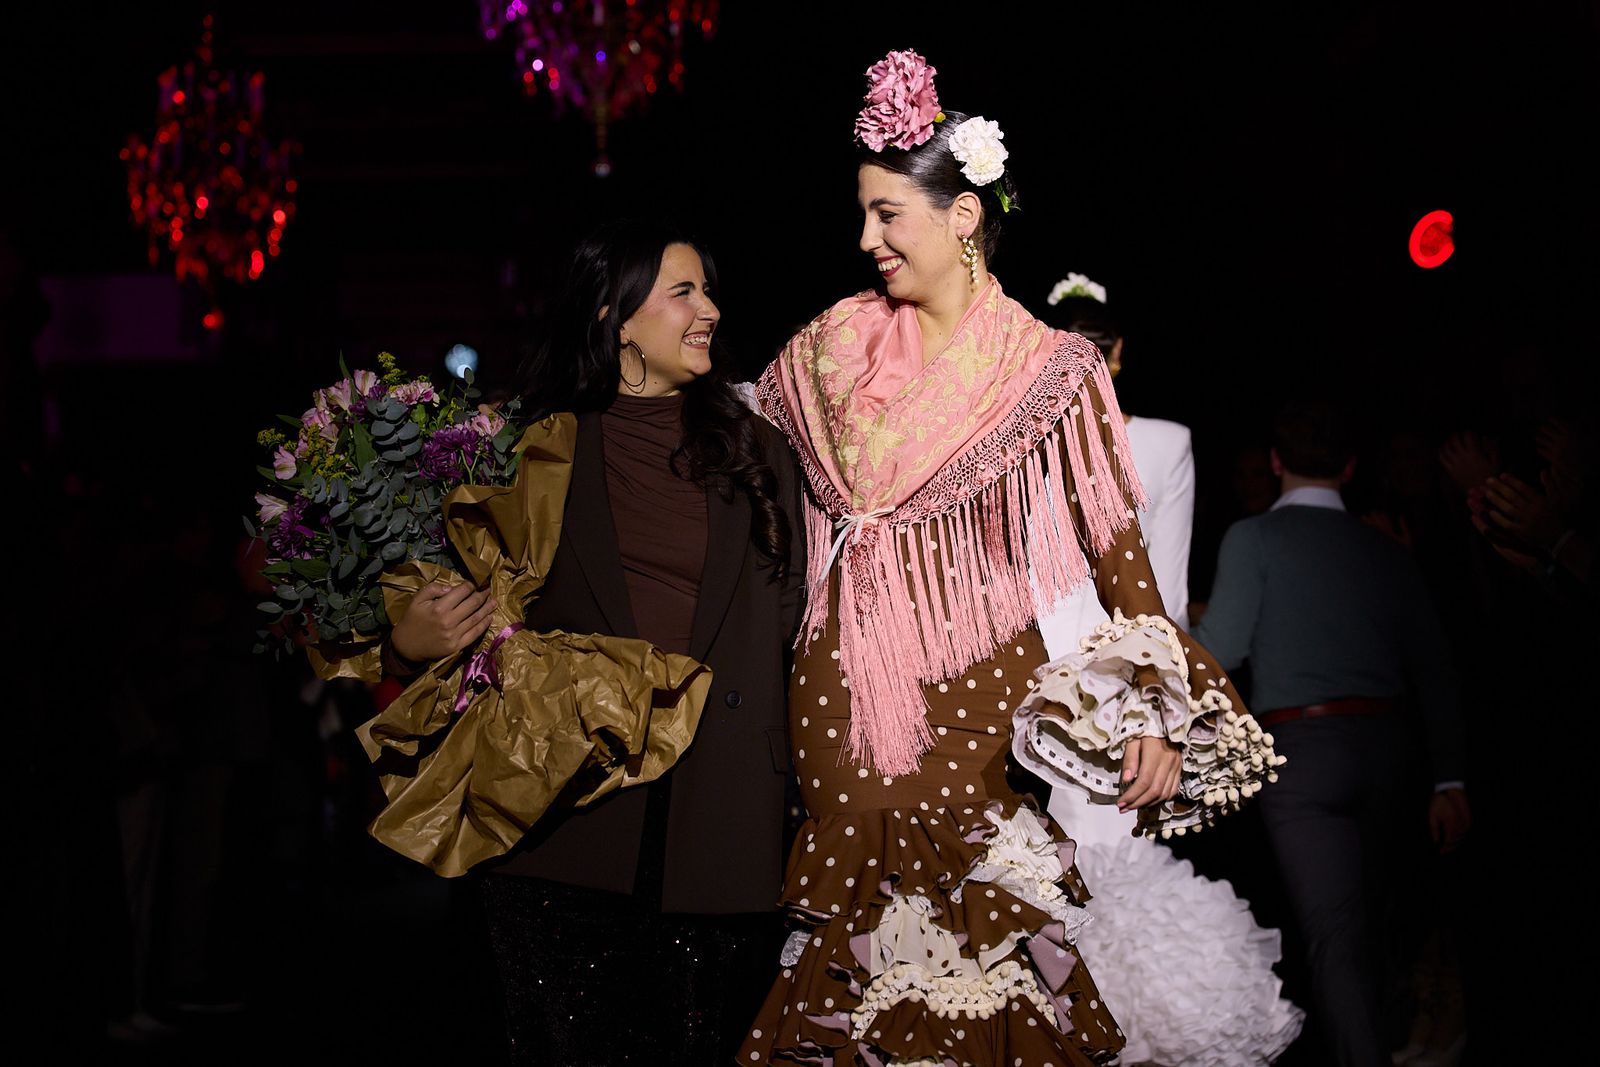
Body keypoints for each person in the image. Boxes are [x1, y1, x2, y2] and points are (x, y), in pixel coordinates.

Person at [739, 51, 1272, 1067]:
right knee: (850, 957)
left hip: (977, 688)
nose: (866, 239)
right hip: (838, 691)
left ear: (962, 216)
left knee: (983, 949)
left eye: (887, 214)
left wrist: (1154, 709)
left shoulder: (1050, 370)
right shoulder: (829, 345)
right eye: (863, 213)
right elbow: (735, 470)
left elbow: (1121, 560)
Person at [387, 221, 807, 1065]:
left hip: (722, 825)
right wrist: (408, 639)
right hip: (565, 827)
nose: (710, 310)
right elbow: (445, 601)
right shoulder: (527, 448)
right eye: (683, 290)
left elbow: (801, 618)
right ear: (616, 315)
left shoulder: (763, 451)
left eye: (709, 290)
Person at [1038, 282, 1303, 1065]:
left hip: (1025, 683)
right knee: (1095, 882)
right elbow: (1167, 605)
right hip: (1116, 689)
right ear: (1119, 355)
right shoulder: (1164, 440)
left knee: (1049, 887)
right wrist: (1165, 714)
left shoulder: (1017, 445)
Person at [1192, 400, 1470, 1067]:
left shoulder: (1252, 538)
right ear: (1348, 467)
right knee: (1380, 918)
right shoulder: (1384, 547)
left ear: (1279, 461)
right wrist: (1451, 777)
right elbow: (1435, 666)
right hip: (1389, 750)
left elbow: (1219, 650)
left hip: (1302, 757)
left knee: (1335, 935)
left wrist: (1159, 621)